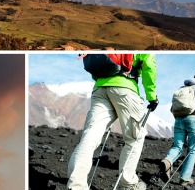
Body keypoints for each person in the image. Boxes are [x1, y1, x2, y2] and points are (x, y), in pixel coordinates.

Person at [67, 54, 157, 190]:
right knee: (134, 138)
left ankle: (76, 185)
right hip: (125, 89)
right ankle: (129, 184)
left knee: (90, 136)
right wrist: (152, 96)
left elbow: (98, 64)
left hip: (100, 89)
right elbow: (148, 65)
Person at [159, 73, 195, 185]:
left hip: (178, 120)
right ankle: (184, 178)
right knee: (192, 149)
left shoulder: (182, 88)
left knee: (177, 146)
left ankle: (167, 161)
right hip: (192, 119)